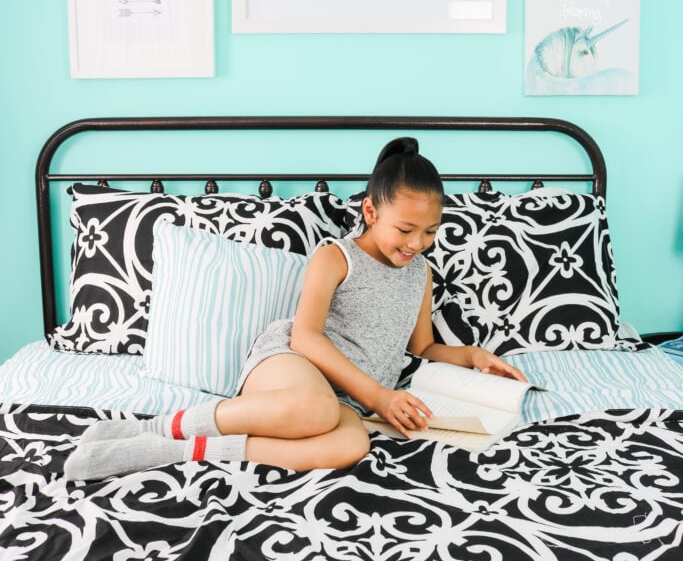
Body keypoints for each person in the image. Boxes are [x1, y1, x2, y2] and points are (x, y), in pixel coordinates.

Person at [64, 137, 526, 481]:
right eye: (405, 229)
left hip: (347, 398)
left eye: (430, 231)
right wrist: (379, 397)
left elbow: (422, 347)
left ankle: (177, 451)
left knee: (351, 443)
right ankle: (162, 426)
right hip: (293, 361)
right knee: (315, 409)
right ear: (370, 211)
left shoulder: (420, 273)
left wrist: (472, 356)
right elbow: (306, 336)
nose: (416, 243)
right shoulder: (336, 257)